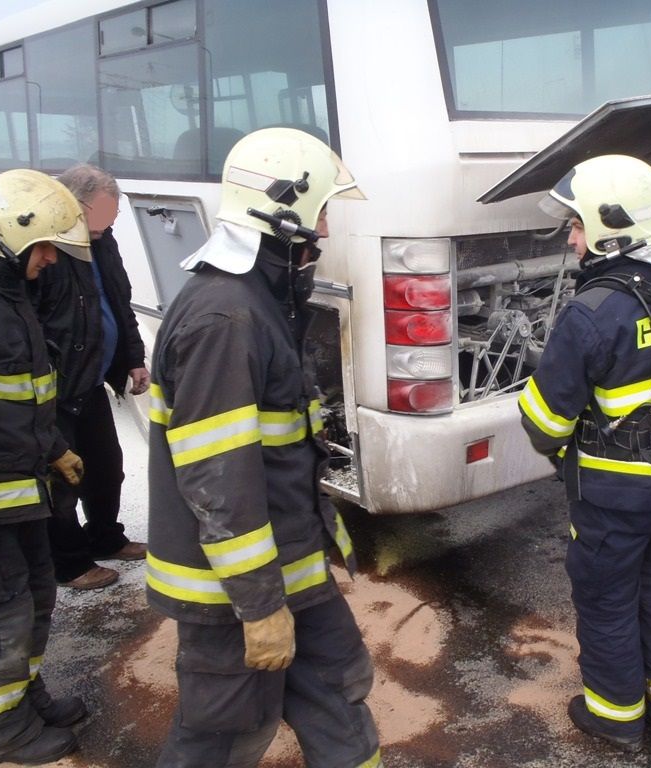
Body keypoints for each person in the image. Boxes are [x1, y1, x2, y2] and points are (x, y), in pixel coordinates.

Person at [147, 127, 381, 768]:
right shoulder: (226, 318)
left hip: (290, 569)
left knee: (340, 692)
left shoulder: (258, 300)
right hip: (236, 595)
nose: (327, 229)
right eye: (323, 210)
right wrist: (258, 607)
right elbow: (220, 480)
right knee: (226, 735)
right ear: (288, 208)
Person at [518, 155, 651, 754]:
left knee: (606, 603)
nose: (572, 238)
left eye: (576, 225)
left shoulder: (593, 311)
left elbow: (545, 421)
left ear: (610, 227)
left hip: (613, 498)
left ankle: (616, 719)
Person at [0, 169, 92, 764]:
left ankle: (23, 698)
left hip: (19, 483)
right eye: (46, 246)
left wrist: (53, 447)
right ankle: (2, 727)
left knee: (33, 593)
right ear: (11, 235)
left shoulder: (8, 296)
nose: (52, 259)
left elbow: (23, 393)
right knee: (3, 607)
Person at [36, 164, 148, 590]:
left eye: (110, 220)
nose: (103, 228)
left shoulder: (101, 240)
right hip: (58, 389)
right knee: (62, 481)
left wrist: (133, 358)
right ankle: (69, 563)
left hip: (92, 381)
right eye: (98, 220)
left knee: (107, 469)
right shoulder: (46, 248)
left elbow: (120, 301)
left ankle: (105, 537)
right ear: (70, 206)